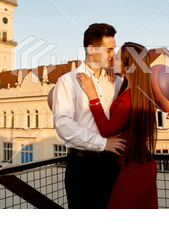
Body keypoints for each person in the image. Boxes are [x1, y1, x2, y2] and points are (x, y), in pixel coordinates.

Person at [76, 42, 158, 209]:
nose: (113, 58)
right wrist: (114, 73)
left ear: (128, 66)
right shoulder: (139, 91)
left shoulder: (127, 99)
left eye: (119, 57)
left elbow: (107, 131)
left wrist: (92, 95)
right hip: (144, 164)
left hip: (133, 170)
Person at [53, 23, 126, 209]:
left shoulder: (115, 81)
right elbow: (63, 125)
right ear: (91, 49)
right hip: (81, 167)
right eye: (108, 50)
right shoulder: (68, 81)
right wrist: (103, 143)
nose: (113, 55)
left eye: (113, 50)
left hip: (111, 165)